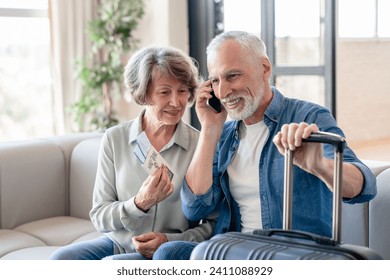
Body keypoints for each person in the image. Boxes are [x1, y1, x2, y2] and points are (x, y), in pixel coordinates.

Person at [152, 30, 377, 260]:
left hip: (292, 253)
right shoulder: (225, 134)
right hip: (237, 249)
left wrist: (319, 164)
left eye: (232, 76)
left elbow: (365, 187)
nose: (222, 92)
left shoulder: (308, 117)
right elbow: (195, 207)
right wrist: (209, 129)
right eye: (216, 80)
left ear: (265, 68)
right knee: (170, 253)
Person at [50, 46, 214, 260]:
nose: (176, 102)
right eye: (165, 92)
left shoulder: (199, 145)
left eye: (182, 91)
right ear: (144, 94)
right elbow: (99, 215)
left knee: (112, 266)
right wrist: (139, 203)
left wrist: (168, 240)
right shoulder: (114, 138)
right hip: (118, 243)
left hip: (165, 252)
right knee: (60, 260)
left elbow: (213, 224)